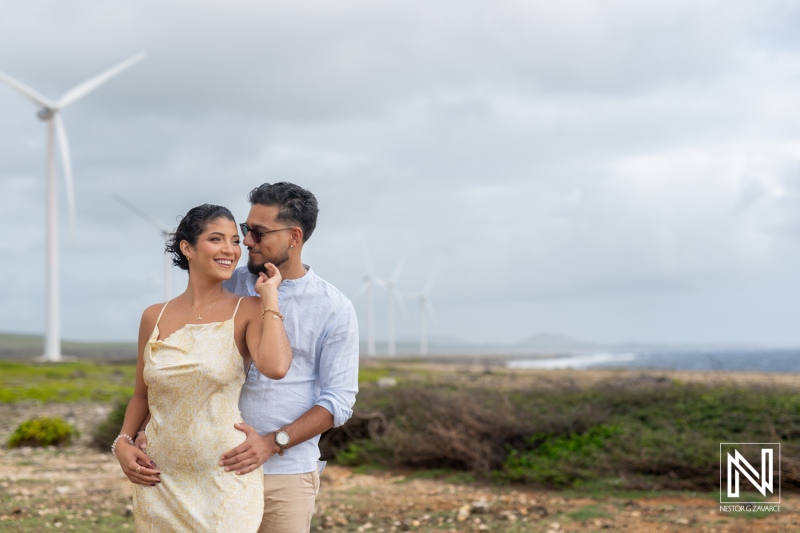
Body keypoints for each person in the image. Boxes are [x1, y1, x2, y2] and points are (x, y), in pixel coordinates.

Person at [138, 182, 360, 533]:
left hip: (285, 476)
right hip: (212, 472)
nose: (246, 242)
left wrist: (273, 443)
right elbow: (175, 367)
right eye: (246, 229)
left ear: (294, 236)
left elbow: (339, 401)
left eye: (258, 232)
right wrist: (141, 432)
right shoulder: (226, 283)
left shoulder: (334, 308)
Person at [113, 204, 293, 532]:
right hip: (160, 480)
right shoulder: (153, 316)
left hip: (225, 479)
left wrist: (270, 298)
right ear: (187, 247)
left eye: (235, 241)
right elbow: (141, 395)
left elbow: (276, 367)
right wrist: (123, 442)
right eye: (216, 239)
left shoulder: (248, 309)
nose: (230, 250)